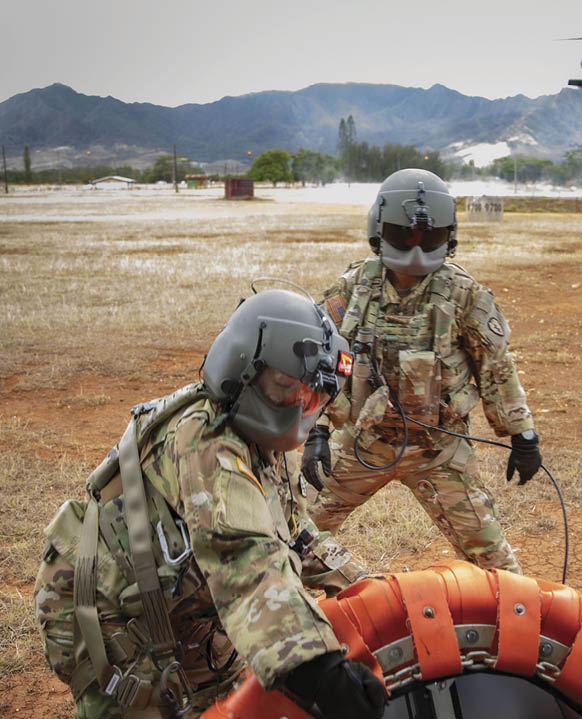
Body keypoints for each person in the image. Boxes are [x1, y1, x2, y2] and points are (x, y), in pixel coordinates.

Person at [34, 288, 387, 719]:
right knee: (155, 703)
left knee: (232, 690)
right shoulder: (205, 441)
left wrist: (368, 588)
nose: (299, 405)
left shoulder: (261, 440)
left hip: (172, 600)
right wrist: (322, 672)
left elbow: (295, 535)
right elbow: (245, 559)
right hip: (108, 614)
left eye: (309, 395)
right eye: (285, 388)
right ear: (245, 368)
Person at [301, 168, 542, 575]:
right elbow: (324, 359)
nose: (415, 246)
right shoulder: (355, 287)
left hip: (438, 451)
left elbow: (496, 366)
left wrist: (523, 434)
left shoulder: (464, 294)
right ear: (379, 231)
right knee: (294, 534)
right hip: (363, 442)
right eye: (404, 234)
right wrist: (317, 431)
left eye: (427, 236)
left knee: (494, 565)